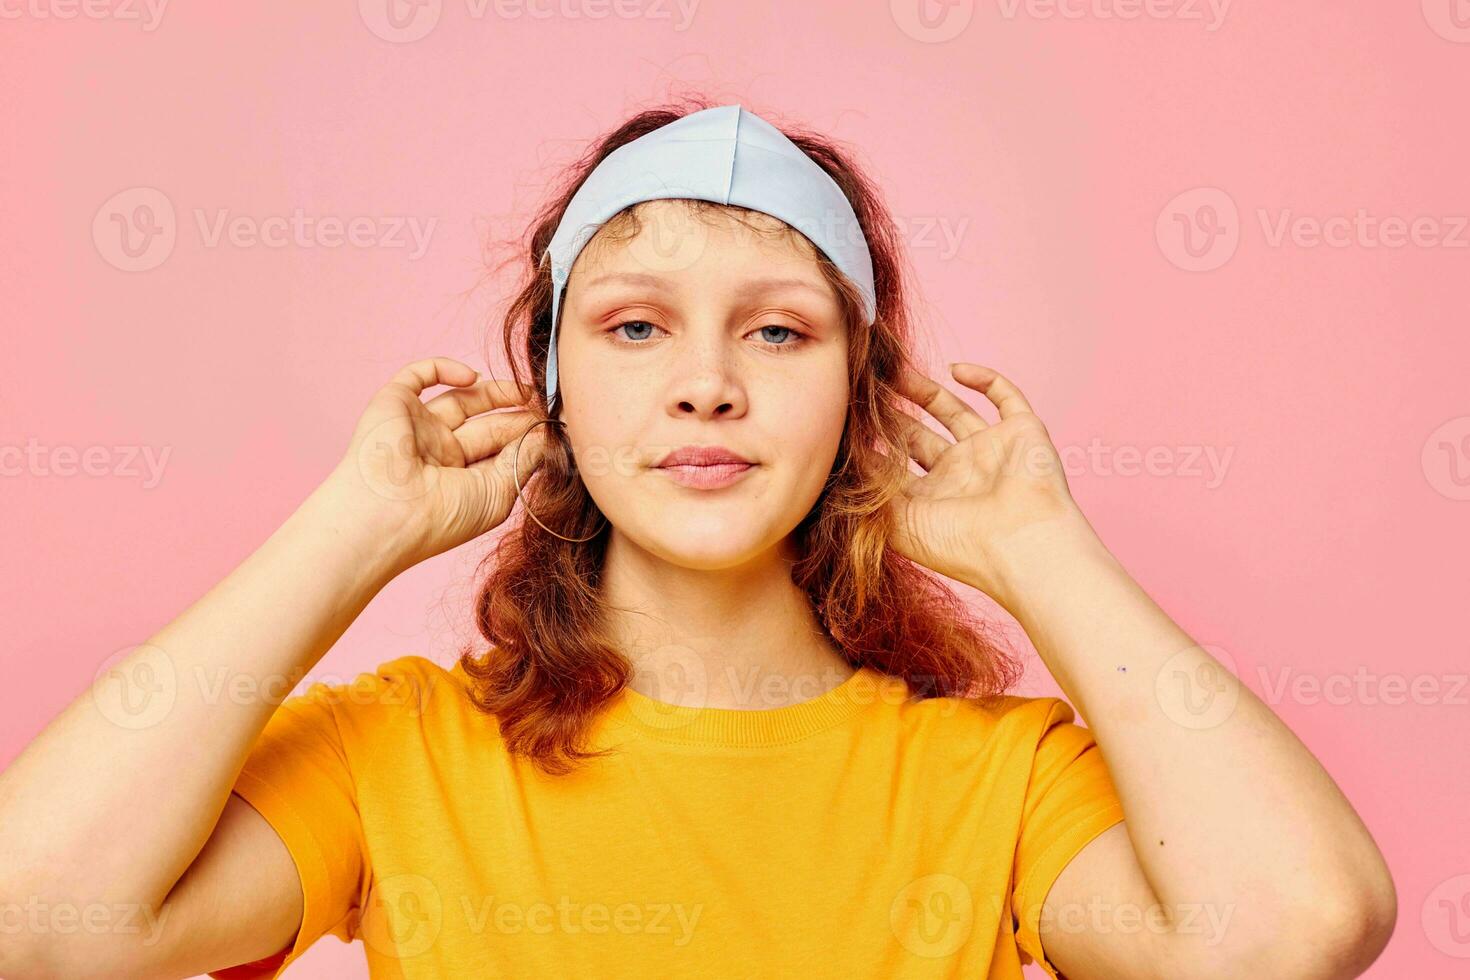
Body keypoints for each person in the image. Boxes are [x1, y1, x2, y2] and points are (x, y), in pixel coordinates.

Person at [0, 100, 1396, 979]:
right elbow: (37, 924)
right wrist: (353, 528)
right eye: (633, 327)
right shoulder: (396, 752)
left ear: (861, 391)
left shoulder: (998, 779)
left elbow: (1288, 934)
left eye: (778, 330)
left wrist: (1040, 548)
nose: (706, 384)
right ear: (551, 380)